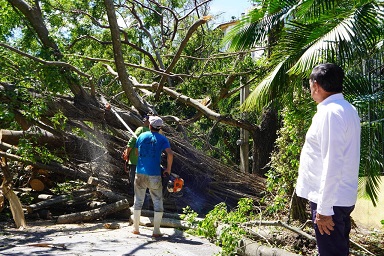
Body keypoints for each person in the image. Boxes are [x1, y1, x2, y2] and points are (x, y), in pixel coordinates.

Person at [295, 63, 361, 256]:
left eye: (309, 85)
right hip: (337, 198)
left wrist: (324, 209)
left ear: (316, 85)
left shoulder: (330, 113)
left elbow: (333, 162)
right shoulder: (347, 109)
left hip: (330, 202)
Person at [132, 116, 174, 237]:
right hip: (154, 174)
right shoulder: (163, 139)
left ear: (149, 126)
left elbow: (136, 152)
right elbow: (170, 154)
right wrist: (168, 169)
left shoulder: (141, 136)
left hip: (140, 173)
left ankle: (136, 228)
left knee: (138, 200)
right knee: (157, 201)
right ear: (160, 127)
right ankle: (156, 231)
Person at [123, 114, 150, 192]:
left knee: (133, 178)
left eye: (146, 120)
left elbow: (132, 142)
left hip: (135, 159)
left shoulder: (141, 129)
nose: (144, 120)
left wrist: (126, 154)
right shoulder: (155, 134)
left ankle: (133, 194)